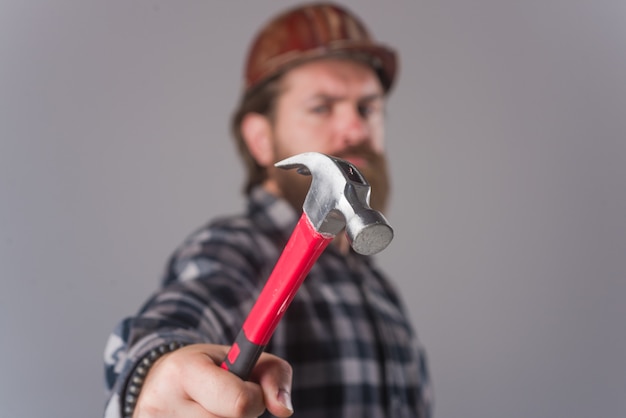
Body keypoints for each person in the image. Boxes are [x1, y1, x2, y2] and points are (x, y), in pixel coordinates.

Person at [104, 3, 433, 417]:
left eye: (367, 108)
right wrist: (155, 375)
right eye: (322, 107)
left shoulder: (380, 293)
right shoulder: (233, 249)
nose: (356, 129)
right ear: (261, 138)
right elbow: (177, 317)